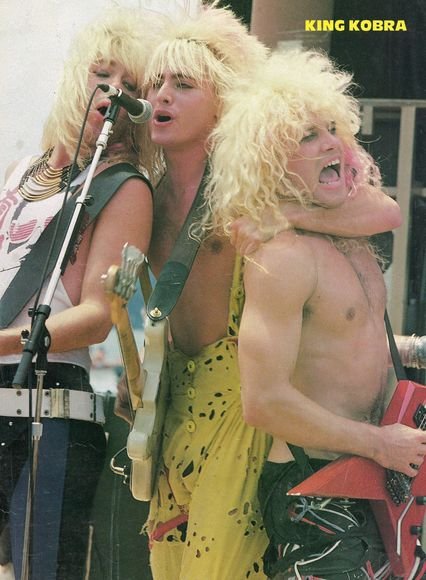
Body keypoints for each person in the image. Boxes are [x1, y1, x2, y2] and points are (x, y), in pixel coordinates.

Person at [123, 4, 405, 580]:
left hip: (245, 413)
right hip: (173, 407)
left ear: (225, 99)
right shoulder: (145, 191)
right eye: (156, 84)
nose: (161, 96)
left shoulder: (252, 183)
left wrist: (291, 215)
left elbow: (383, 209)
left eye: (183, 84)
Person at [205, 48, 426, 579]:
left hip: (381, 474)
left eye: (333, 128)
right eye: (308, 136)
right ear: (268, 161)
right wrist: (380, 443)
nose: (332, 143)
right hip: (320, 484)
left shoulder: (347, 235)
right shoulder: (283, 256)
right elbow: (264, 402)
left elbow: (346, 339)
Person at [0, 9, 156, 580]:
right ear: (76, 79)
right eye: (102, 74)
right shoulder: (20, 171)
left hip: (54, 401)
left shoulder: (124, 187)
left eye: (130, 85)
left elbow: (96, 317)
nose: (113, 91)